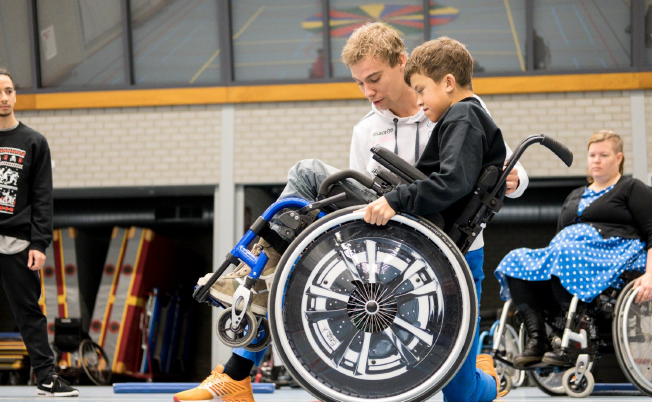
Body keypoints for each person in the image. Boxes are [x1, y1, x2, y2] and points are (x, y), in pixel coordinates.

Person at [174, 23, 527, 402]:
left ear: (403, 64)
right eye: (359, 83)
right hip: (393, 234)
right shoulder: (366, 130)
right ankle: (239, 357)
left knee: (461, 394)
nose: (368, 91)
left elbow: (501, 170)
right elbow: (356, 203)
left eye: (374, 78)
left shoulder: (455, 107)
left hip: (455, 249)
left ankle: (485, 377)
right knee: (301, 201)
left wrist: (516, 177)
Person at [495, 130, 652, 368]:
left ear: (619, 158)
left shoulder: (631, 188)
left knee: (564, 255)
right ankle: (538, 339)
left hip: (612, 254)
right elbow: (559, 238)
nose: (596, 160)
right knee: (514, 260)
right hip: (567, 255)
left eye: (603, 155)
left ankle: (577, 335)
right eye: (592, 155)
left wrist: (650, 275)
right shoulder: (575, 195)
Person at [0, 69, 78, 397]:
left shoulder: (34, 142)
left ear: (16, 96)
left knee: (29, 312)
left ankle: (46, 377)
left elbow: (42, 198)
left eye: (8, 91)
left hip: (17, 242)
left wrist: (39, 242)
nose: (3, 98)